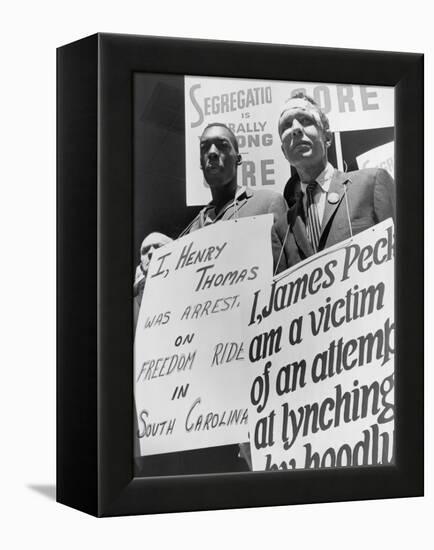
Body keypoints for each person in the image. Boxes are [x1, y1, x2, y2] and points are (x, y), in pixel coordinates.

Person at [278, 93, 395, 266]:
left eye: (305, 120)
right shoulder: (283, 226)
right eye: (286, 125)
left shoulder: (371, 183)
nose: (295, 128)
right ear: (283, 151)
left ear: (327, 137)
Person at [180, 122, 289, 274]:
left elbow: (287, 273)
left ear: (238, 159)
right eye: (204, 147)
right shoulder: (193, 229)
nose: (212, 152)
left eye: (222, 145)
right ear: (200, 163)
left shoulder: (268, 203)